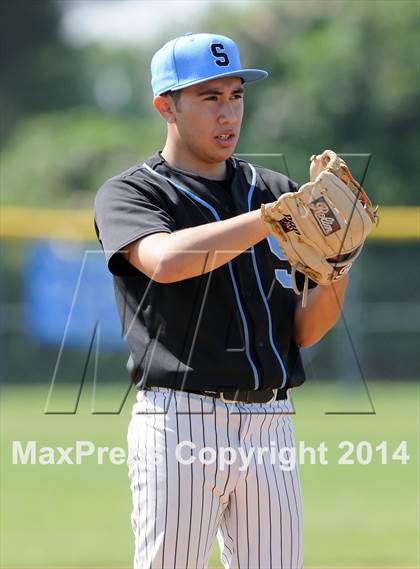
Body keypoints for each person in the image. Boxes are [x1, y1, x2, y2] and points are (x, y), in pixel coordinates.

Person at [94, 32, 348, 569]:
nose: (228, 112)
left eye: (235, 95)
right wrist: (270, 218)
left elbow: (305, 329)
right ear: (166, 105)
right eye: (210, 98)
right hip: (180, 418)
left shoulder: (271, 187)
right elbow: (165, 262)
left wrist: (338, 262)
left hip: (272, 420)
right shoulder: (132, 193)